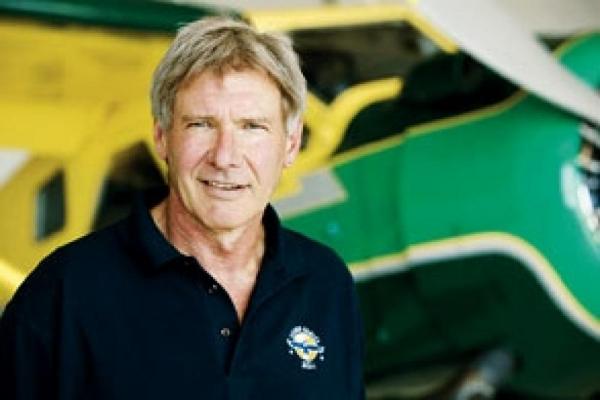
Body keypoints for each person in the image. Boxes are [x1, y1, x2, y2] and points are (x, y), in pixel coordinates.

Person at [0, 16, 365, 400]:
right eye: (201, 125)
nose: (225, 157)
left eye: (252, 127)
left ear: (290, 145)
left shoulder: (326, 284)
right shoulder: (63, 292)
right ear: (162, 137)